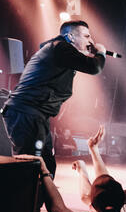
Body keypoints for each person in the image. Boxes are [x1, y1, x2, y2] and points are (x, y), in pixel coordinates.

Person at [1, 20, 106, 177]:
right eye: (86, 36)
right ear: (70, 37)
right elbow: (94, 67)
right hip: (26, 113)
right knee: (29, 168)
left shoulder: (60, 51)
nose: (91, 41)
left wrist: (85, 54)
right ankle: (18, 200)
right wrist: (101, 53)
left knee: (47, 167)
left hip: (35, 115)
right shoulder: (60, 47)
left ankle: (37, 200)